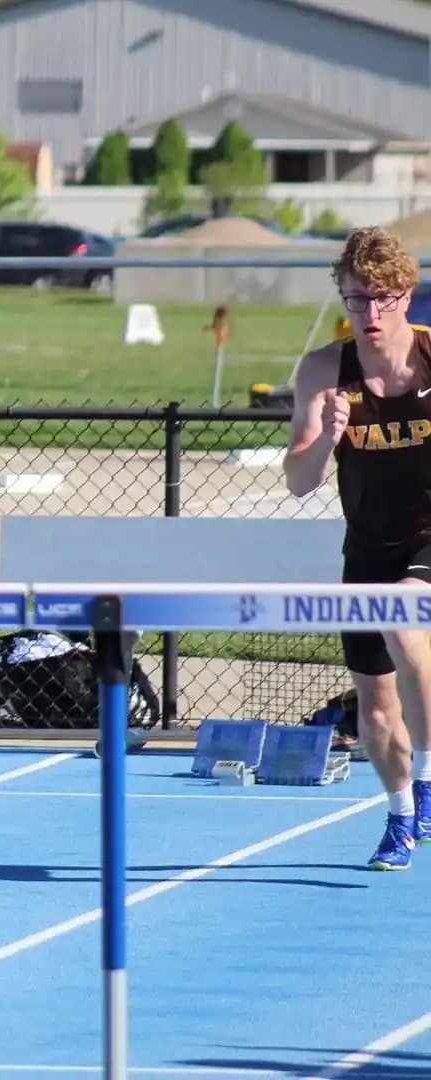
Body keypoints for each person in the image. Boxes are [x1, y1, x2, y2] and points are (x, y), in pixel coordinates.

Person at [284, 225, 431, 869]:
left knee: (404, 619)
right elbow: (298, 481)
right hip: (368, 546)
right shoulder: (324, 370)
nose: (368, 315)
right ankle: (401, 816)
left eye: (380, 299)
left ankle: (427, 783)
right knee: (374, 703)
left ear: (405, 294)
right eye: (354, 300)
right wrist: (326, 438)